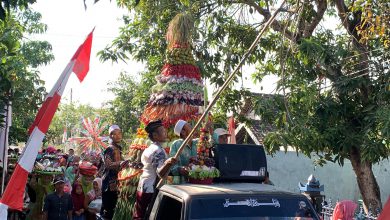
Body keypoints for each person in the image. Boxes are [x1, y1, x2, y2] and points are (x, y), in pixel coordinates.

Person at [133, 120, 176, 220]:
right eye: (162, 131)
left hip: (144, 186)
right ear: (155, 135)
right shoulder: (157, 151)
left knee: (140, 215)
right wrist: (168, 162)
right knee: (149, 215)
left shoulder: (150, 148)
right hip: (151, 189)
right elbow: (160, 173)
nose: (165, 132)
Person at [100, 125, 128, 219]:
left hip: (116, 184)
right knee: (108, 211)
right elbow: (108, 165)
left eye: (119, 133)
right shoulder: (109, 149)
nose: (118, 136)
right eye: (114, 134)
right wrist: (121, 163)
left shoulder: (119, 148)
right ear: (111, 136)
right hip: (109, 185)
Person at [169, 120, 198, 184]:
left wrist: (211, 132)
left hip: (200, 180)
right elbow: (172, 167)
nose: (192, 127)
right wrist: (181, 169)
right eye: (189, 126)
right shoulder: (176, 145)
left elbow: (210, 144)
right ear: (183, 132)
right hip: (182, 184)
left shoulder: (198, 142)